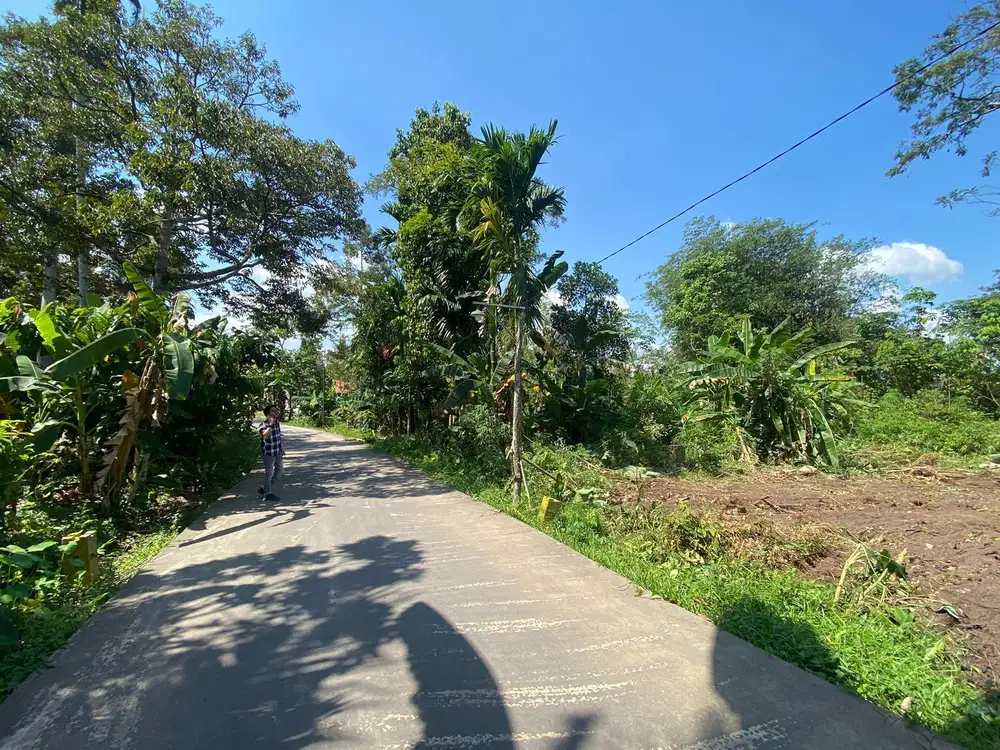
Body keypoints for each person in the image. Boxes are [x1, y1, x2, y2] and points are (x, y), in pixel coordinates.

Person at [258, 404, 284, 501]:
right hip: (268, 453)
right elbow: (265, 435)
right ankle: (268, 493)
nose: (276, 412)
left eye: (276, 410)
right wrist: (271, 424)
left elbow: (278, 437)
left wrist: (281, 448)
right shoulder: (263, 424)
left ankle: (264, 488)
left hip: (277, 451)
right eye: (273, 411)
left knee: (280, 470)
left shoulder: (277, 423)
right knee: (269, 473)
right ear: (268, 413)